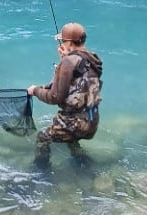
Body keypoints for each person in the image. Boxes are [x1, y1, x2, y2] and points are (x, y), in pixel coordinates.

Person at [27, 22, 103, 167]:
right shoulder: (92, 60)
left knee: (43, 136)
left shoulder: (69, 62)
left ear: (68, 42)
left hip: (76, 124)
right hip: (91, 122)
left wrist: (35, 90)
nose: (61, 43)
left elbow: (55, 97)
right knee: (69, 135)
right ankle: (83, 162)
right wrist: (64, 62)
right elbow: (79, 83)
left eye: (62, 40)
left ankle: (40, 173)